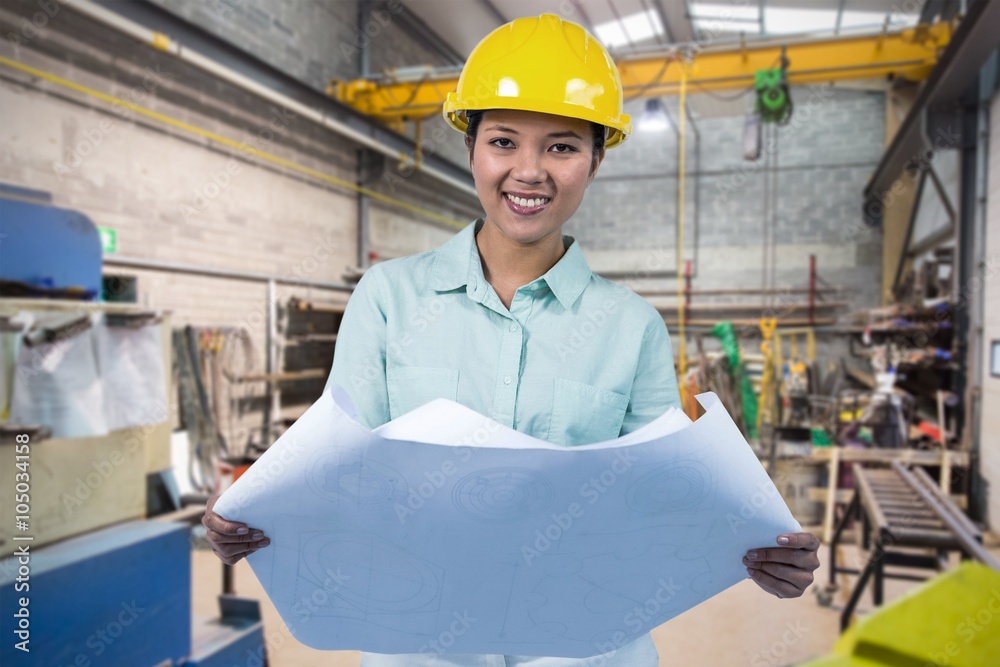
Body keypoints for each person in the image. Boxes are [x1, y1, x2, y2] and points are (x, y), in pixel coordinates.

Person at [203, 13, 820, 666]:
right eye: (503, 141)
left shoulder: (630, 327)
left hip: (584, 651)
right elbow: (336, 472)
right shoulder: (388, 300)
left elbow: (662, 506)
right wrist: (253, 516)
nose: (529, 172)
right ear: (470, 147)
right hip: (420, 648)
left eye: (561, 146)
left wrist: (755, 549)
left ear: (597, 157)